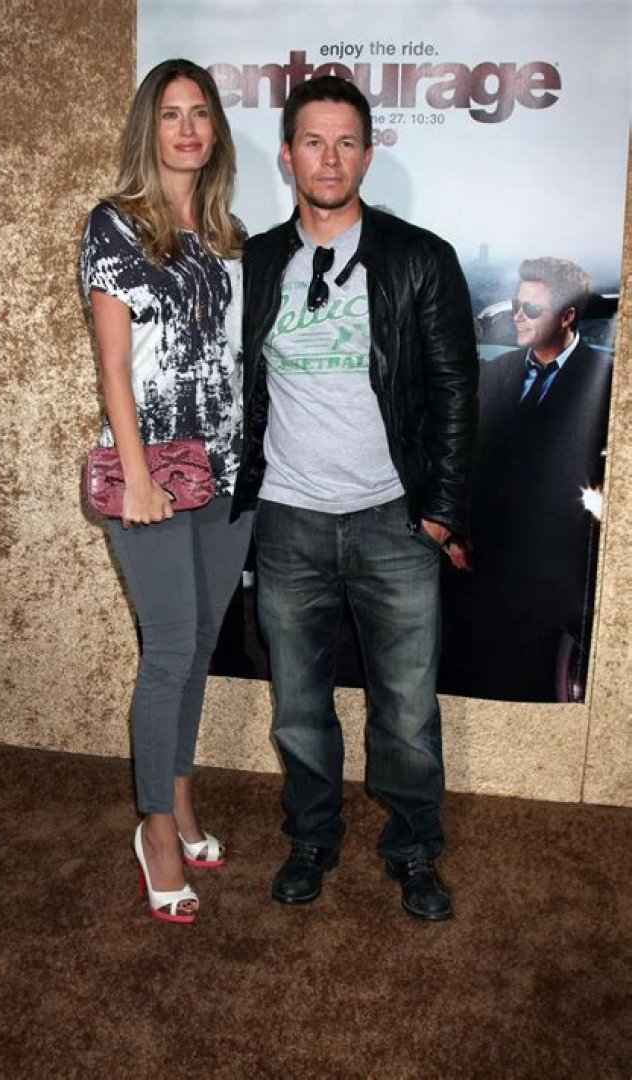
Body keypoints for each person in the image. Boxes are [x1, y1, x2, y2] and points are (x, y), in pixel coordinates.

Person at [231, 75, 478, 921]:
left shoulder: (420, 258)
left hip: (393, 521)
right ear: (288, 155)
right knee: (299, 706)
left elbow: (455, 393)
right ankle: (311, 837)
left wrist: (440, 512)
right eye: (313, 141)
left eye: (345, 143)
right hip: (289, 519)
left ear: (369, 155)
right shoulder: (259, 262)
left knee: (405, 711)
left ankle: (413, 849)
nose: (329, 159)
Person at [80, 59, 252, 924]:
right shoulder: (115, 224)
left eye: (200, 113)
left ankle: (179, 798)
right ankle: (153, 828)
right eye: (171, 114)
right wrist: (139, 475)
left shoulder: (229, 233)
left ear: (216, 129)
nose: (187, 129)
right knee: (171, 646)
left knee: (201, 642)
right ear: (149, 127)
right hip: (150, 472)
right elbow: (114, 366)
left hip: (226, 469)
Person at [440, 258, 613, 702]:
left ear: (568, 315)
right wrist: (455, 532)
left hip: (553, 583)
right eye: (517, 304)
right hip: (478, 569)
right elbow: (466, 459)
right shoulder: (495, 372)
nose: (518, 315)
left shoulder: (608, 382)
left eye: (532, 309)